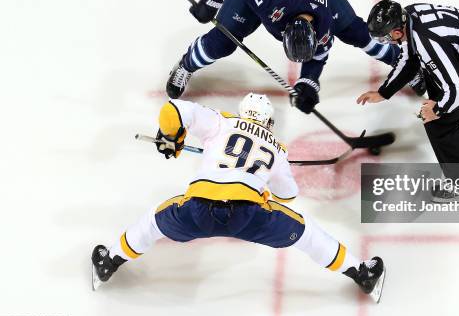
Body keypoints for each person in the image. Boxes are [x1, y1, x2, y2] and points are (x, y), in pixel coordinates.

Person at [91, 93, 386, 302]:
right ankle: (361, 273)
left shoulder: (222, 121)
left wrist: (173, 137)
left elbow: (172, 112)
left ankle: (109, 262)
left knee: (154, 221)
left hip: (198, 210)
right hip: (250, 216)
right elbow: (289, 195)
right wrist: (265, 185)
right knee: (307, 233)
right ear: (269, 122)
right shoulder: (278, 149)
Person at [165, 0, 406, 114]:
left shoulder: (325, 24)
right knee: (223, 42)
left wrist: (307, 83)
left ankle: (403, 61)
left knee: (353, 30)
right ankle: (186, 65)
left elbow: (318, 56)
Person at [357, 0, 459, 203]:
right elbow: (410, 58)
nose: (387, 42)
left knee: (440, 125)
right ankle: (453, 116)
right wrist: (384, 92)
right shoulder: (410, 15)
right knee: (436, 85)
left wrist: (439, 110)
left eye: (385, 38)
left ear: (396, 32)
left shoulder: (427, 42)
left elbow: (458, 91)